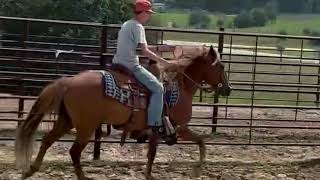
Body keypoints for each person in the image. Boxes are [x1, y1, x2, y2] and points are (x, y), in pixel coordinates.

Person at [112, 0, 175, 135]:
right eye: (149, 13)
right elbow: (145, 52)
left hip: (117, 63)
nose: (149, 16)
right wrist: (164, 62)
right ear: (143, 13)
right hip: (130, 65)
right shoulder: (138, 27)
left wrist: (160, 48)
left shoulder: (127, 24)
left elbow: (139, 48)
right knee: (158, 88)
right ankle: (154, 126)